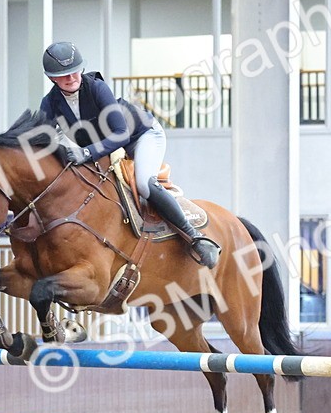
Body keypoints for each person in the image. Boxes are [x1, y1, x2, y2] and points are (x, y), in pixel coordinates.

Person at [38, 41, 220, 269]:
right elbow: (41, 141)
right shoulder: (50, 103)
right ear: (52, 78)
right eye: (63, 75)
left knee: (144, 183)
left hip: (140, 135)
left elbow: (121, 134)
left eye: (74, 71)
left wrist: (85, 152)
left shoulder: (97, 88)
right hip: (104, 148)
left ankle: (195, 238)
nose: (71, 78)